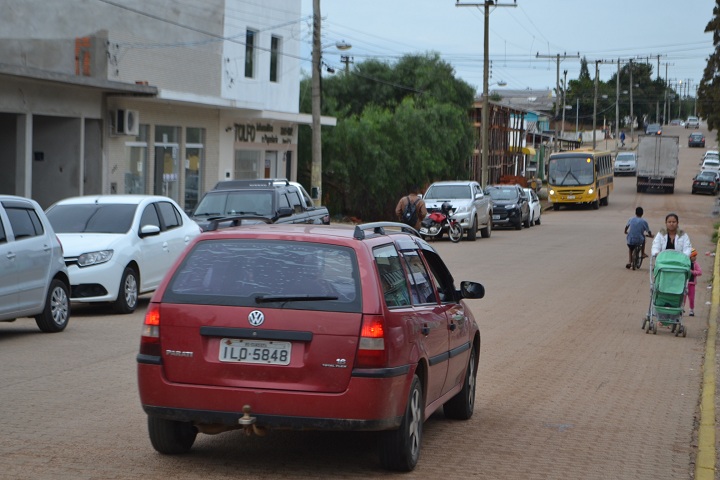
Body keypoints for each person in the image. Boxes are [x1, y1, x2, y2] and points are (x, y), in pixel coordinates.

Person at [685, 248, 702, 316]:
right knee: (683, 298)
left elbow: (700, 272)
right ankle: (681, 309)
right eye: (693, 256)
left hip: (692, 284)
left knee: (691, 298)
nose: (695, 258)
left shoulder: (695, 264)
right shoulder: (685, 263)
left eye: (695, 256)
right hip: (685, 284)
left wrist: (693, 272)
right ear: (689, 256)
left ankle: (691, 310)